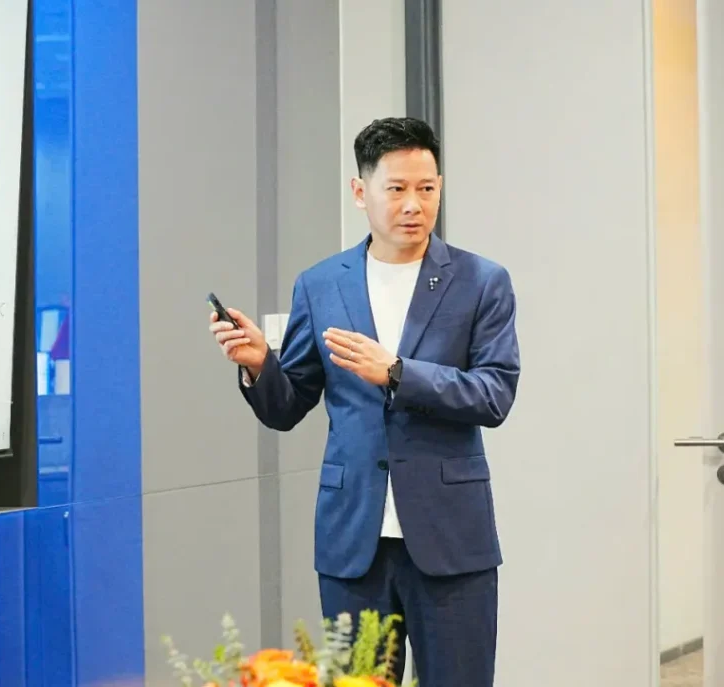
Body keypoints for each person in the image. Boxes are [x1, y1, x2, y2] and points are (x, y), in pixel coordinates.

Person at [208, 116, 519, 686]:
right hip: (354, 542)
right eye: (396, 188)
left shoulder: (481, 281)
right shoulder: (321, 284)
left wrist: (398, 373)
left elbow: (495, 393)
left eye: (427, 188)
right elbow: (288, 406)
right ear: (360, 191)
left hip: (452, 540)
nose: (413, 204)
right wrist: (259, 364)